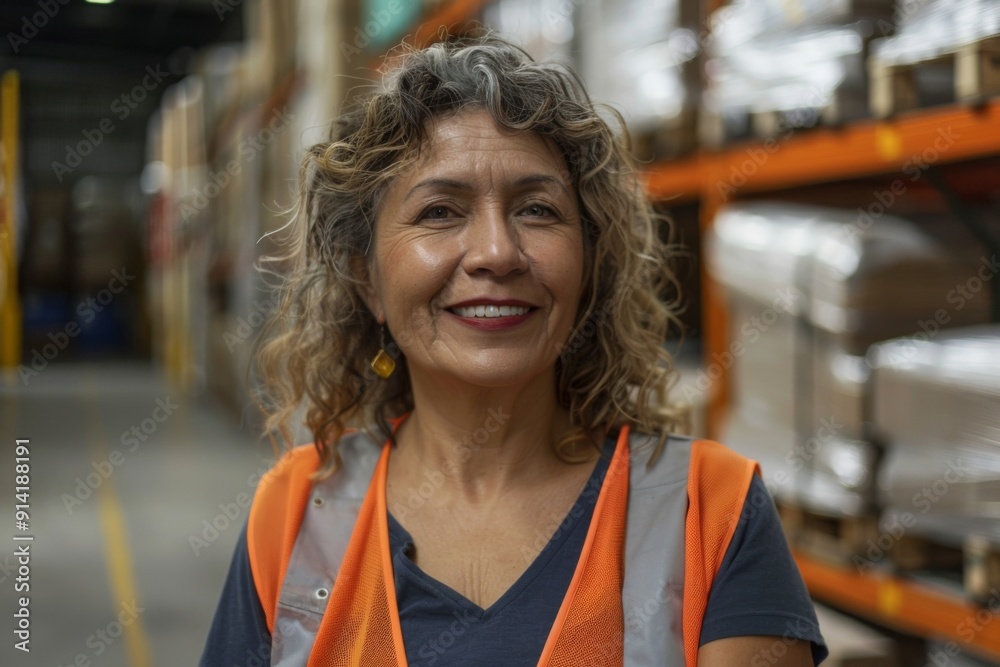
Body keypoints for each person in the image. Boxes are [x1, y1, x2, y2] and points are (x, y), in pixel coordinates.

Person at [200, 34, 827, 667]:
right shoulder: (295, 510)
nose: (497, 252)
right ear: (368, 282)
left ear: (589, 264)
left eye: (536, 209)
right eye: (441, 211)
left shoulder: (711, 510)